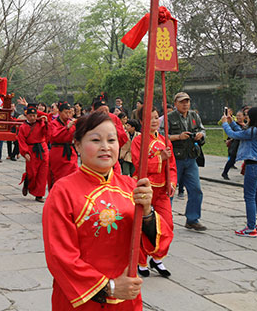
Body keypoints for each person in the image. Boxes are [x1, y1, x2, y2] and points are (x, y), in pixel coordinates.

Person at [42, 111, 174, 310]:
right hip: (82, 298)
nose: (105, 147)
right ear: (77, 145)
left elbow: (159, 246)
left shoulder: (131, 187)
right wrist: (109, 287)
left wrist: (147, 212)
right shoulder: (63, 192)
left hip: (127, 298)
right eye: (95, 140)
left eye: (111, 140)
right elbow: (60, 256)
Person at [131, 107, 177, 278]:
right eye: (150, 119)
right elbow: (139, 164)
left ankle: (157, 258)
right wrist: (160, 158)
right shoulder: (138, 141)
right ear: (142, 122)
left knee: (167, 224)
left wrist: (172, 181)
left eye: (157, 117)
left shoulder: (165, 141)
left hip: (162, 190)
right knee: (143, 226)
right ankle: (141, 261)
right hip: (145, 189)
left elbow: (172, 166)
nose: (155, 121)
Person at [222, 107, 257, 237]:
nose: (246, 118)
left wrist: (225, 124)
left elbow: (234, 135)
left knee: (249, 197)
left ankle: (250, 228)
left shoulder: (253, 131)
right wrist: (231, 122)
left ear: (254, 117)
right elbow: (241, 131)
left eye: (248, 116)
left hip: (253, 166)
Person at [166, 92, 207, 231]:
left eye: (187, 101)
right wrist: (178, 137)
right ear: (175, 103)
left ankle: (192, 219)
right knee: (170, 190)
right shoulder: (168, 118)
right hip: (174, 159)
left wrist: (201, 135)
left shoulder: (194, 116)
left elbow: (202, 129)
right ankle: (166, 220)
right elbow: (161, 136)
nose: (185, 104)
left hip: (191, 158)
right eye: (182, 102)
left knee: (196, 189)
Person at [18, 104, 49, 202]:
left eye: (34, 115)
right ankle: (27, 180)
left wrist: (46, 122)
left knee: (43, 173)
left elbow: (47, 132)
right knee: (32, 173)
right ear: (26, 116)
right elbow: (21, 141)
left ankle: (39, 195)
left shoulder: (41, 123)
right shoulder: (23, 127)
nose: (33, 118)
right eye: (30, 116)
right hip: (31, 150)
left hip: (42, 149)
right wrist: (25, 152)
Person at [48, 101, 78, 190]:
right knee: (58, 177)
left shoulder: (71, 123)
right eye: (66, 112)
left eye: (70, 112)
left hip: (70, 151)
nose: (68, 115)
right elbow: (54, 136)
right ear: (60, 112)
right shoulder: (53, 123)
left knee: (74, 174)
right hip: (58, 152)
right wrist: (66, 128)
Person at [222, 110, 245, 180]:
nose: (238, 117)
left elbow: (241, 132)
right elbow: (232, 133)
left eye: (240, 115)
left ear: (244, 117)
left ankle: (244, 172)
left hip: (244, 145)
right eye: (237, 115)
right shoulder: (235, 124)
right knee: (232, 159)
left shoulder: (247, 125)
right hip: (236, 144)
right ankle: (225, 172)